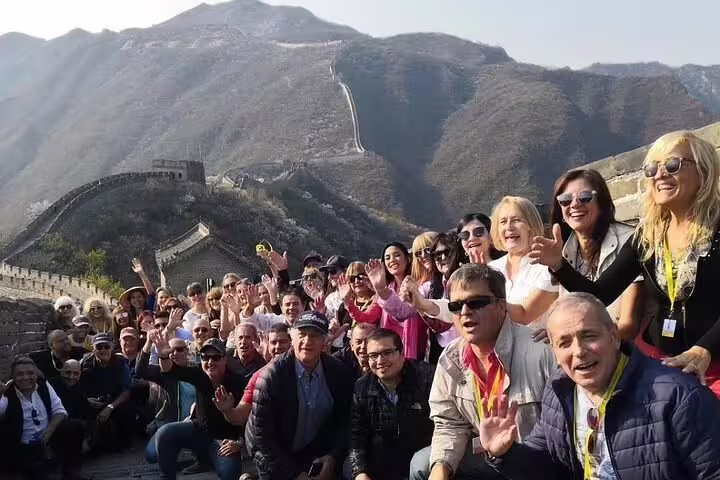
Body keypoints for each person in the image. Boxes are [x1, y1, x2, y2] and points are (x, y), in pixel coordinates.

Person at [530, 130, 720, 396]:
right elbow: (599, 294)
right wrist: (559, 265)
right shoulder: (648, 235)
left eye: (673, 165)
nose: (660, 175)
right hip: (660, 364)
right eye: (652, 169)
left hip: (712, 366)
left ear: (704, 171)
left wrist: (705, 350)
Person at [479, 292, 720, 479]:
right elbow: (547, 466)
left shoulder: (679, 397)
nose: (579, 352)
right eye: (564, 343)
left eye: (589, 336)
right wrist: (505, 453)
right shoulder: (560, 388)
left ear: (614, 337)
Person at [409, 264, 556, 480]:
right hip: (488, 455)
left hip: (535, 463)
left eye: (476, 302)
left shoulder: (541, 351)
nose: (465, 312)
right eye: (456, 305)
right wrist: (441, 469)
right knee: (424, 464)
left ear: (501, 306)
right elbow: (449, 423)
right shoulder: (450, 358)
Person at [246, 311, 355, 480]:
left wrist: (333, 458)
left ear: (326, 339)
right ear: (292, 337)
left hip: (313, 450)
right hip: (271, 453)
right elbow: (263, 438)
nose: (307, 341)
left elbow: (346, 421)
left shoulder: (338, 372)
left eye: (315, 335)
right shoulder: (271, 376)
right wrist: (296, 474)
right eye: (302, 334)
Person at [549, 168, 646, 339]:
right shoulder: (563, 249)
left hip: (625, 350)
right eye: (565, 200)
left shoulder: (630, 242)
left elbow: (629, 325)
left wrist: (583, 337)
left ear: (601, 203)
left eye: (585, 197)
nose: (575, 204)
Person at [150, 335, 246, 480]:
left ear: (225, 359)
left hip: (225, 440)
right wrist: (163, 357)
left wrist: (240, 442)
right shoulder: (199, 374)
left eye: (216, 358)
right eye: (205, 357)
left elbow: (251, 417)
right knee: (164, 434)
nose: (210, 362)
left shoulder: (238, 381)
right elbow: (170, 370)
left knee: (230, 472)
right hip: (199, 430)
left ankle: (206, 460)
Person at [348, 329, 435, 480]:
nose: (380, 361)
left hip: (422, 458)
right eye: (373, 356)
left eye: (387, 353)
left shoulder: (426, 377)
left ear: (402, 353)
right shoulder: (362, 386)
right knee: (350, 469)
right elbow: (357, 435)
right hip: (382, 460)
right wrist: (360, 473)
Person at [0, 356, 86, 480]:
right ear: (13, 377)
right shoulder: (7, 396)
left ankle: (71, 470)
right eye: (20, 374)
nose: (26, 378)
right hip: (23, 446)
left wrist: (49, 431)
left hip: (47, 439)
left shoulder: (44, 386)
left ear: (36, 374)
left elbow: (60, 411)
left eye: (30, 373)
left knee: (74, 426)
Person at [487, 196, 559, 325]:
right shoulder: (491, 268)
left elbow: (524, 315)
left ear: (531, 226)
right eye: (503, 222)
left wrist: (479, 300)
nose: (509, 227)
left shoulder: (548, 268)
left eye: (516, 220)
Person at [213, 323, 294, 428]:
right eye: (273, 342)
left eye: (283, 342)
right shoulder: (259, 376)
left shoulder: (306, 368)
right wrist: (228, 411)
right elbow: (239, 416)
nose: (278, 347)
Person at [365, 242, 428, 360]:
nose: (392, 260)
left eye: (397, 255)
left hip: (419, 350)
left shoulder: (419, 285)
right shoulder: (387, 288)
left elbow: (403, 312)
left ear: (408, 258)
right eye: (387, 258)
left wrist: (381, 290)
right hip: (392, 351)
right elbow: (369, 316)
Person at [80, 332, 134, 452]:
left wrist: (110, 407)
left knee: (127, 409)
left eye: (106, 346)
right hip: (93, 401)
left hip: (115, 401)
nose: (103, 350)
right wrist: (86, 400)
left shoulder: (120, 362)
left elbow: (126, 391)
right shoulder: (85, 363)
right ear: (93, 349)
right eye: (99, 347)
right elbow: (76, 386)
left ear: (112, 347)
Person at [320, 255, 352, 352]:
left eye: (333, 271)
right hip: (334, 347)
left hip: (353, 345)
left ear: (346, 272)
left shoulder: (359, 294)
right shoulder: (330, 298)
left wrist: (342, 329)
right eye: (327, 273)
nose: (329, 276)